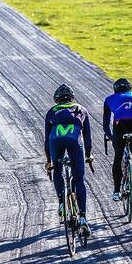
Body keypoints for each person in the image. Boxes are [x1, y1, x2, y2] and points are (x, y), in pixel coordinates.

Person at [44, 84, 93, 237]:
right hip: (74, 141)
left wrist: (49, 160)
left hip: (55, 140)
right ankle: (83, 217)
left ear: (56, 99)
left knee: (58, 169)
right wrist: (88, 155)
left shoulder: (51, 111)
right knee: (79, 179)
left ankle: (61, 204)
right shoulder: (81, 109)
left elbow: (47, 139)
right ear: (72, 97)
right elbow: (87, 138)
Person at [103, 77, 132, 201]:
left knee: (118, 156)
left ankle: (117, 191)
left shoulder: (109, 99)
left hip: (120, 124)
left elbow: (106, 123)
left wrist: (112, 137)